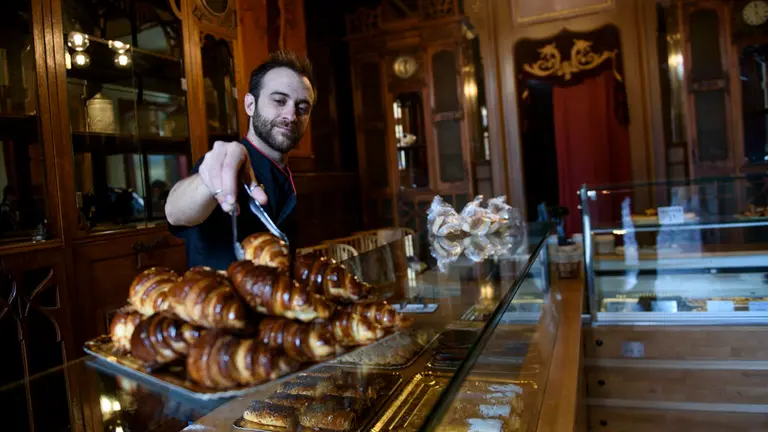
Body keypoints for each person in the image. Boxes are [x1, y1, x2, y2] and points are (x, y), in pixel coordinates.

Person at [165, 51, 315, 270]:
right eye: (279, 101)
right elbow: (175, 212)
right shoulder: (228, 164)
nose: (291, 116)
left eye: (302, 108)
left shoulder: (286, 175)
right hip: (222, 301)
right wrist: (208, 183)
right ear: (250, 105)